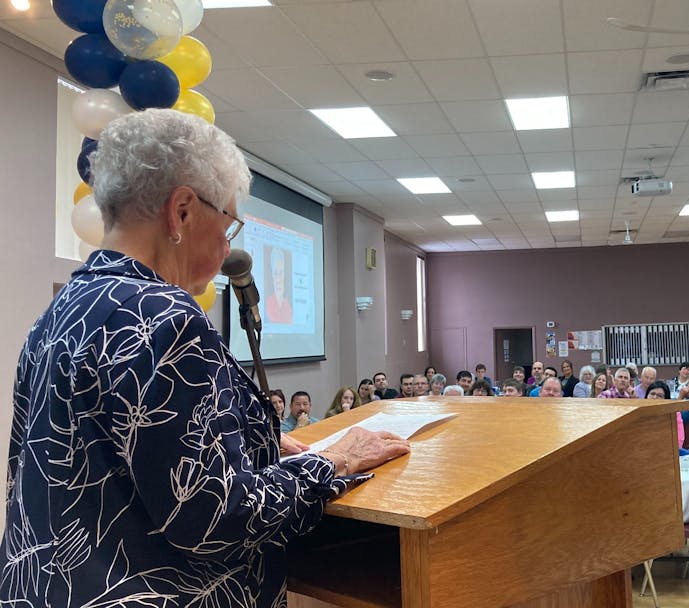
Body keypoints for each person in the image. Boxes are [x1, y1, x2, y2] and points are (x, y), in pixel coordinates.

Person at [1, 109, 410, 607]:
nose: (226, 247)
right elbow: (215, 516)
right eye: (229, 225)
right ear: (183, 212)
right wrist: (334, 460)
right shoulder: (169, 317)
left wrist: (249, 441)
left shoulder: (59, 311)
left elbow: (101, 458)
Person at [265, 246, 293, 324]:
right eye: (275, 273)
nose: (278, 279)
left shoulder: (288, 307)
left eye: (281, 272)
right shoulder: (268, 305)